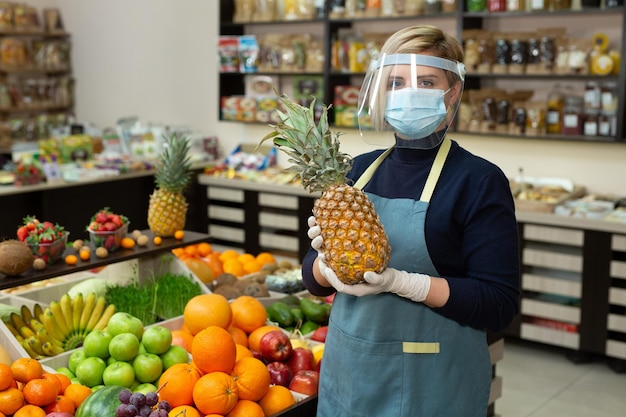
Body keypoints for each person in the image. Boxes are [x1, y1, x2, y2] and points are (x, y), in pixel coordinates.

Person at [302, 25, 520, 417]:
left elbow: (498, 305)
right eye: (397, 81)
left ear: (451, 92)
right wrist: (322, 262)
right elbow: (312, 282)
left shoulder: (478, 181)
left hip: (431, 384)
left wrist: (405, 284)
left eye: (427, 81)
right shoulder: (356, 172)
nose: (409, 92)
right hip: (350, 376)